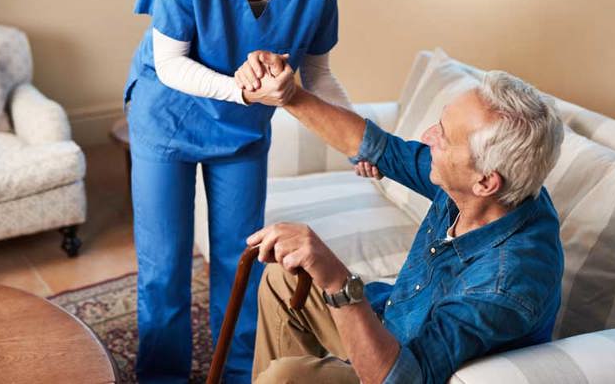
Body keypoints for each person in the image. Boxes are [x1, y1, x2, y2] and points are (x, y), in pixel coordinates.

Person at [122, 0, 364, 381]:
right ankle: (162, 377)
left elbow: (317, 74)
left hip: (242, 134)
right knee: (164, 268)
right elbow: (170, 64)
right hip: (167, 121)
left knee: (241, 264)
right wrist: (244, 92)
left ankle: (237, 375)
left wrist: (358, 141)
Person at [242, 59, 566, 383]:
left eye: (444, 138)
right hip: (393, 322)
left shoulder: (505, 282)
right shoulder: (490, 189)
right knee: (284, 277)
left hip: (401, 370)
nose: (427, 136)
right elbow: (376, 147)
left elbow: (404, 376)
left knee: (285, 377)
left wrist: (338, 280)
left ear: (485, 182)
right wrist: (289, 95)